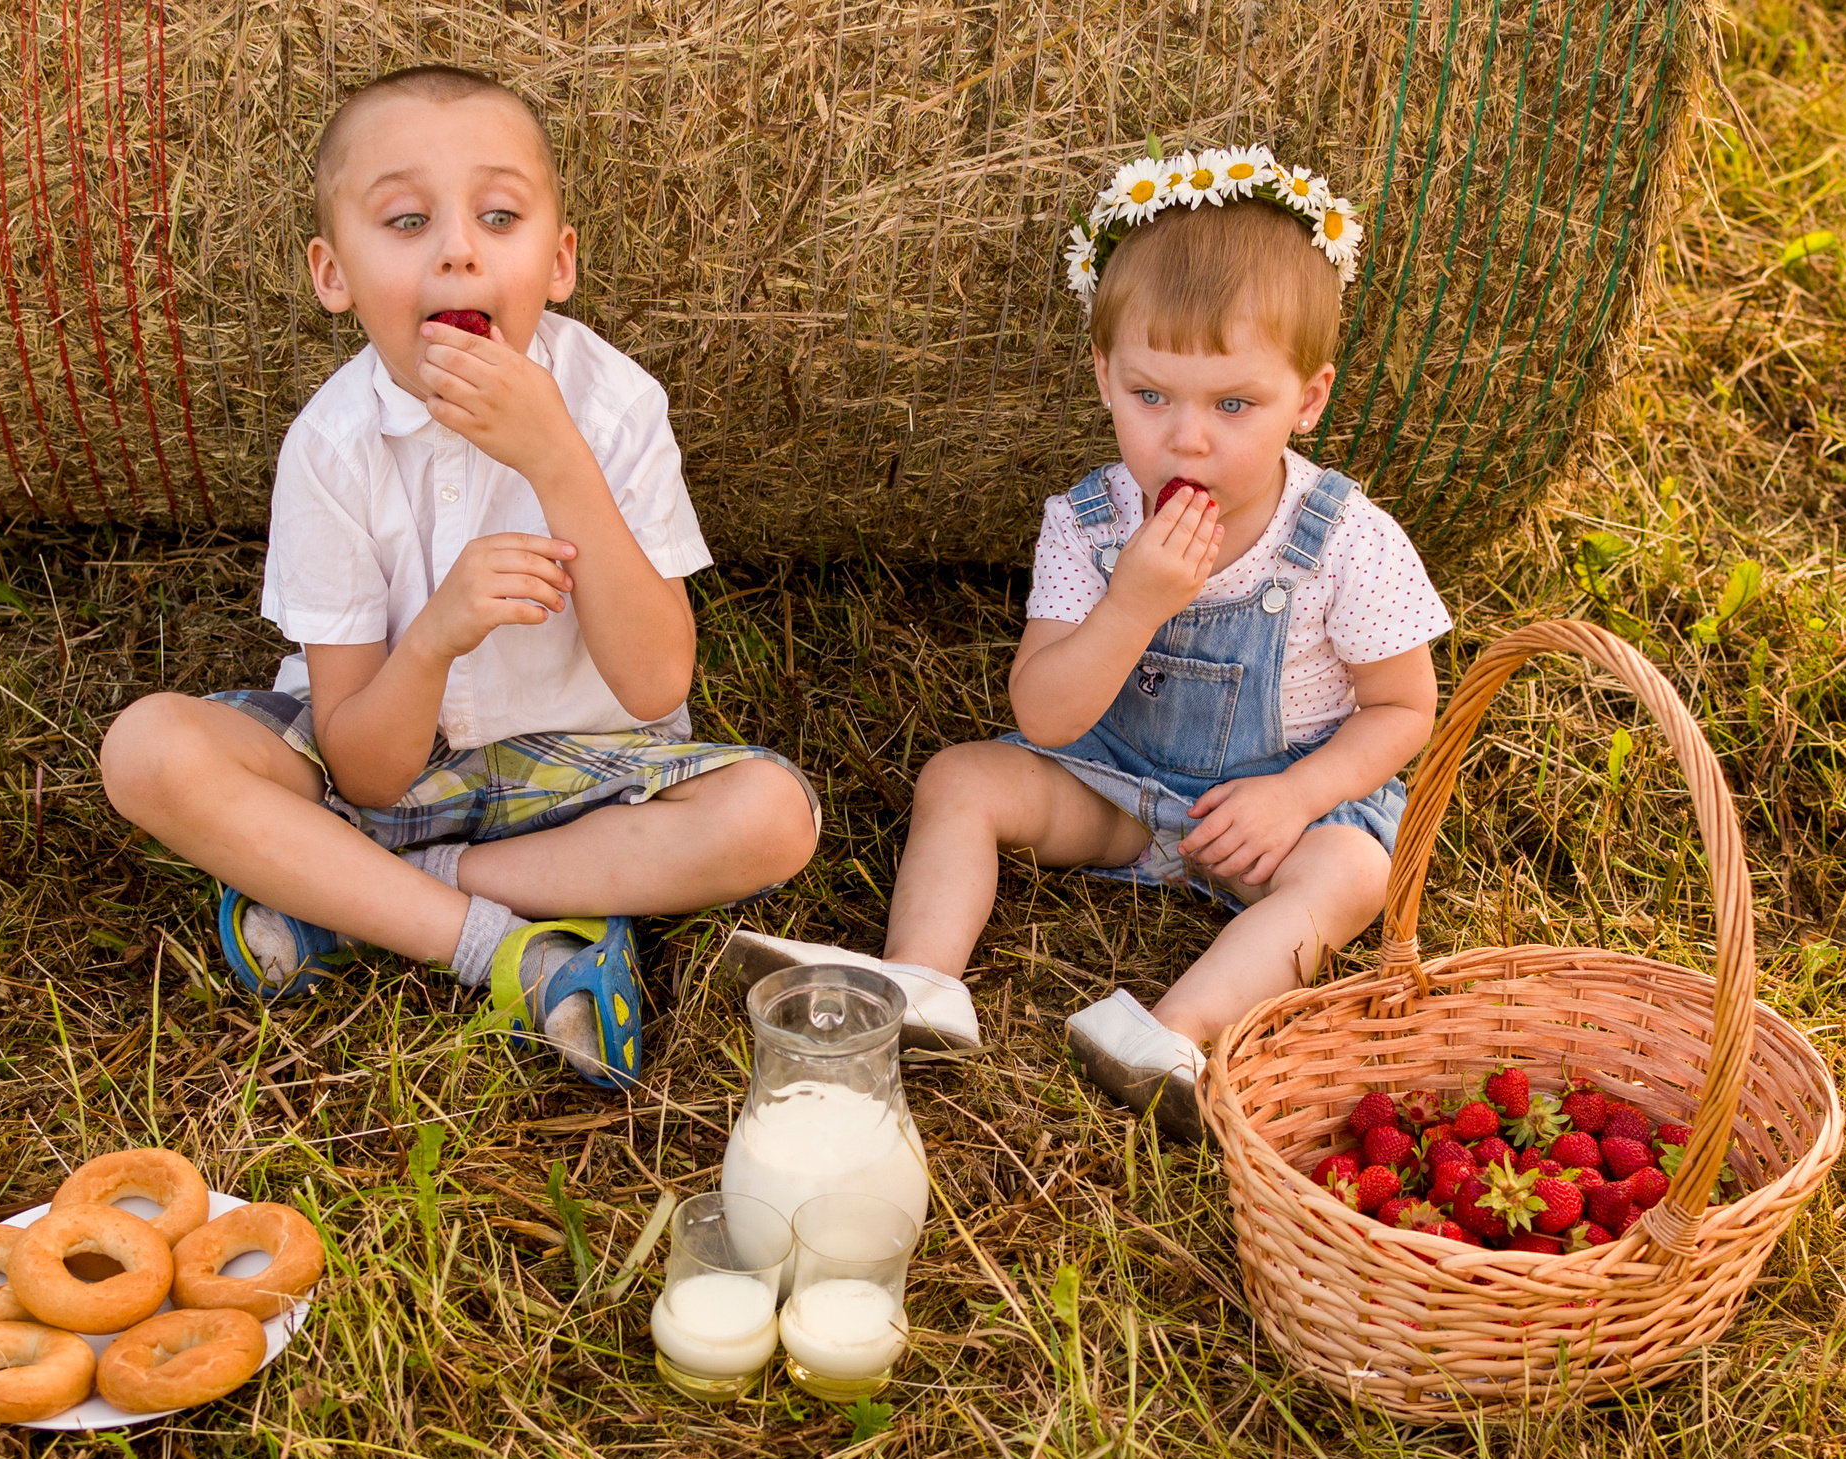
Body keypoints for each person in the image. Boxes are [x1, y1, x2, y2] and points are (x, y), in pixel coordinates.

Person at [101, 65, 820, 1088]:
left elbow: (656, 685)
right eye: (404, 221)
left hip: (584, 779)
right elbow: (365, 772)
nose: (456, 248)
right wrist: (435, 633)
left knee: (771, 819)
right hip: (380, 762)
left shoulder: (614, 411)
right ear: (331, 273)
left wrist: (556, 458)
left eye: (498, 214)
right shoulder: (331, 448)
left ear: (559, 261)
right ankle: (501, 949)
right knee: (148, 751)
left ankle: (357, 896)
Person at [725, 148, 1447, 1138]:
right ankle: (921, 984)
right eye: (1152, 396)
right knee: (961, 780)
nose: (1187, 439)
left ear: (1307, 399)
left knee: (1355, 874)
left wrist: (1299, 796)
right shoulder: (1090, 522)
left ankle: (1172, 1035)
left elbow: (1404, 707)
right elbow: (1045, 712)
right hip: (1115, 787)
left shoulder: (1341, 536)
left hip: (1270, 820)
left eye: (1233, 405)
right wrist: (1132, 605)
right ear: (1103, 375)